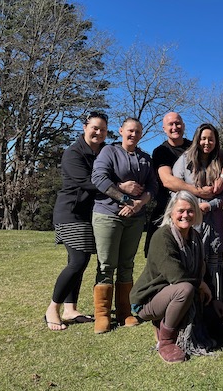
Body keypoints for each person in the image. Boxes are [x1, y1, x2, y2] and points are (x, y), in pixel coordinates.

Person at [91, 117, 157, 334]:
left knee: (127, 264)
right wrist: (125, 196)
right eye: (130, 130)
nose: (133, 135)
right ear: (121, 131)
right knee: (106, 265)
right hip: (108, 215)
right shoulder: (109, 152)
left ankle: (124, 312)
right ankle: (102, 315)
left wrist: (138, 205)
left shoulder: (145, 158)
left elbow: (153, 186)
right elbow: (98, 178)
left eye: (137, 132)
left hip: (135, 218)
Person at [130, 191, 212, 363]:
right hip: (149, 298)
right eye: (181, 211)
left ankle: (168, 323)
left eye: (190, 211)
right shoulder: (162, 236)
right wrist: (200, 284)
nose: (185, 215)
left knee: (215, 318)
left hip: (173, 293)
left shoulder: (195, 237)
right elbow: (176, 276)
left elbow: (200, 269)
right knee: (185, 289)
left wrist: (211, 295)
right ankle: (166, 341)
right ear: (171, 213)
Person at [45, 111, 108, 331]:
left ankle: (70, 309)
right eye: (95, 128)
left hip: (87, 214)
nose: (98, 132)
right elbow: (87, 182)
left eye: (103, 129)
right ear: (85, 127)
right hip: (69, 213)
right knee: (78, 261)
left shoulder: (103, 151)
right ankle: (52, 308)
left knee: (80, 260)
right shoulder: (73, 153)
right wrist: (119, 189)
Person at [144, 112, 223, 257]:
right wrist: (199, 191)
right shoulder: (161, 151)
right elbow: (168, 181)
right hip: (166, 208)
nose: (175, 127)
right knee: (165, 254)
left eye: (178, 123)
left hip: (196, 214)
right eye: (170, 124)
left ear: (184, 126)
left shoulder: (195, 146)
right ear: (164, 128)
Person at [172, 123, 223, 307]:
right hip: (191, 220)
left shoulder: (220, 161)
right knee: (192, 260)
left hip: (214, 221)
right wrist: (192, 207)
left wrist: (210, 205)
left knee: (215, 262)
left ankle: (218, 306)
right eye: (203, 138)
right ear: (197, 139)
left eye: (211, 139)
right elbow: (176, 188)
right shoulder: (185, 160)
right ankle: (191, 306)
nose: (207, 142)